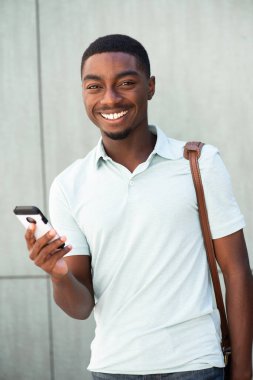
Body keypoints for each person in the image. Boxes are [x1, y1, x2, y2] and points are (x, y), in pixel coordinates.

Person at [25, 34, 253, 380]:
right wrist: (59, 277)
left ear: (150, 87)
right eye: (94, 86)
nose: (109, 98)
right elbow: (81, 306)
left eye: (126, 83)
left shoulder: (199, 162)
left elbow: (237, 274)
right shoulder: (68, 185)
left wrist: (243, 372)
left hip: (196, 366)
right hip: (111, 369)